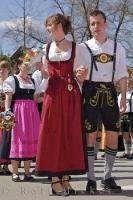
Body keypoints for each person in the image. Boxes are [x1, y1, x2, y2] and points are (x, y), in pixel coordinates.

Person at [35, 13, 88, 196]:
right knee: (52, 134)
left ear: (60, 26)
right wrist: (42, 71)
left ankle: (66, 178)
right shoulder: (45, 48)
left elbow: (80, 74)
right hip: (52, 95)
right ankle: (55, 179)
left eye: (51, 25)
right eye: (48, 26)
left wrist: (81, 74)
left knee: (68, 134)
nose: (49, 29)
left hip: (70, 94)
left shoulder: (76, 48)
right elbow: (47, 76)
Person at [80, 10, 128, 194]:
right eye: (92, 24)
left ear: (105, 24)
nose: (95, 27)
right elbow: (77, 72)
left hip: (109, 92)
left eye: (98, 23)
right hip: (90, 91)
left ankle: (107, 176)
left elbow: (123, 75)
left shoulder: (117, 47)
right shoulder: (83, 47)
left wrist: (123, 96)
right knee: (90, 136)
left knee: (113, 135)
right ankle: (91, 178)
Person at [3, 59, 40, 182]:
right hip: (18, 112)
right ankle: (15, 173)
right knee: (17, 139)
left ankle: (27, 173)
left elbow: (35, 99)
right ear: (19, 66)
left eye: (29, 64)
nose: (28, 66)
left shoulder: (33, 81)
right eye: (25, 64)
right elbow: (8, 97)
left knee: (29, 139)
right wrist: (8, 111)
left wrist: (49, 98)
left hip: (31, 113)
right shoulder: (12, 80)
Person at [0, 60, 12, 175]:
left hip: (8, 113)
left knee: (7, 137)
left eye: (4, 68)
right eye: (0, 68)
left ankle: (6, 165)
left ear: (9, 70)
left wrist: (6, 102)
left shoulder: (11, 82)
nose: (1, 70)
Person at [119, 79, 133, 159]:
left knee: (131, 133)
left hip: (132, 114)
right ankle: (127, 152)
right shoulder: (121, 94)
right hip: (123, 114)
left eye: (129, 83)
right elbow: (118, 106)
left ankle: (132, 152)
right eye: (126, 83)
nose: (127, 85)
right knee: (124, 133)